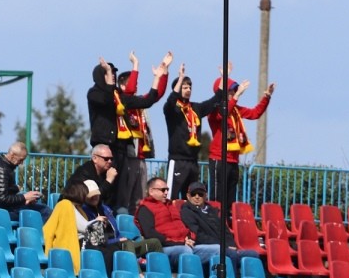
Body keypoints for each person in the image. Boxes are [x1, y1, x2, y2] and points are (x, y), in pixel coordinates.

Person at [86, 55, 168, 214]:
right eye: (109, 73)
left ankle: (118, 219)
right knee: (105, 188)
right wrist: (112, 83)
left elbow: (147, 101)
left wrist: (158, 78)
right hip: (104, 147)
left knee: (120, 191)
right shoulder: (94, 93)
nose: (113, 76)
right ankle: (102, 216)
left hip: (120, 149)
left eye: (114, 73)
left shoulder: (119, 97)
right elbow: (106, 100)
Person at [43, 180, 160, 274]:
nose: (91, 197)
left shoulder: (102, 209)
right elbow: (84, 227)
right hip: (83, 243)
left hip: (96, 242)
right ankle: (131, 276)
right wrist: (96, 221)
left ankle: (155, 275)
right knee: (112, 251)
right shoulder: (67, 205)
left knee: (147, 243)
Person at [113, 51, 171, 214]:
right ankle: (123, 222)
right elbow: (130, 89)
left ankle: (137, 222)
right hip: (128, 155)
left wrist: (163, 72)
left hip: (141, 156)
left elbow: (156, 95)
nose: (136, 86)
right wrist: (135, 65)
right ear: (122, 86)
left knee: (139, 198)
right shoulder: (122, 101)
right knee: (125, 197)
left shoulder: (138, 103)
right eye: (132, 82)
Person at [207, 74, 273, 208]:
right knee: (217, 199)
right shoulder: (214, 109)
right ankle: (215, 221)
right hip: (219, 159)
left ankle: (227, 220)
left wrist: (266, 97)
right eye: (231, 90)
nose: (233, 93)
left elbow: (255, 113)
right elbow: (223, 114)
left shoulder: (236, 110)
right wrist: (236, 97)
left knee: (229, 200)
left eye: (234, 90)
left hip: (233, 160)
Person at [163, 64, 221, 198]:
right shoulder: (172, 110)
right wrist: (180, 77)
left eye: (190, 87)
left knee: (191, 198)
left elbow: (215, 100)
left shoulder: (196, 108)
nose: (188, 90)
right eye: (185, 87)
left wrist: (224, 77)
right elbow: (170, 100)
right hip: (177, 160)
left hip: (193, 161)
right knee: (170, 197)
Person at [180, 181, 260, 269]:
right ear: (188, 196)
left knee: (252, 254)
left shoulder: (212, 211)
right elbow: (198, 235)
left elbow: (225, 231)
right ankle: (230, 277)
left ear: (205, 196)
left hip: (223, 247)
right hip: (207, 247)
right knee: (231, 254)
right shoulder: (187, 212)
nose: (197, 197)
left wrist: (231, 245)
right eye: (193, 194)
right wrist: (225, 246)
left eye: (200, 194)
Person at [0, 142, 52, 221]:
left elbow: (5, 194)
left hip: (5, 210)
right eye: (21, 160)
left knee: (43, 208)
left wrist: (26, 199)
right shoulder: (1, 169)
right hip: (2, 213)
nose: (21, 163)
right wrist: (24, 197)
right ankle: (44, 229)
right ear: (12, 155)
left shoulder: (5, 166)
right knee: (45, 211)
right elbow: (1, 200)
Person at [135, 177, 194, 267]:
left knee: (215, 250)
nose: (166, 193)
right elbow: (151, 235)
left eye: (167, 190)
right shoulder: (144, 209)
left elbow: (183, 227)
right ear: (151, 191)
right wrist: (181, 243)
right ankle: (189, 276)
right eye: (163, 190)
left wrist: (189, 238)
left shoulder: (171, 206)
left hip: (183, 244)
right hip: (163, 249)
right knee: (186, 251)